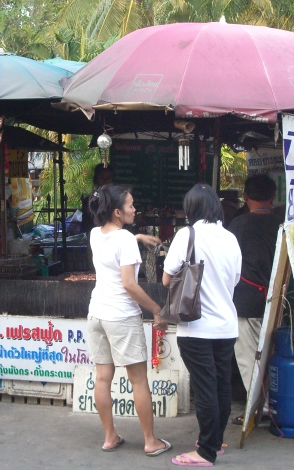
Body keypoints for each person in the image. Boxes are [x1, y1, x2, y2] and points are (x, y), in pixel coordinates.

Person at [86, 184, 172, 457]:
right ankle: (150, 441)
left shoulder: (95, 234)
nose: (134, 209)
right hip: (121, 316)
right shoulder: (123, 240)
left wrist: (137, 237)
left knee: (102, 378)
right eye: (131, 205)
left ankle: (110, 437)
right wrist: (157, 309)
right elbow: (129, 285)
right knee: (138, 381)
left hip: (97, 313)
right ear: (117, 212)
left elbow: (115, 243)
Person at [162, 183, 242, 467]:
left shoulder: (187, 235)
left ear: (191, 209)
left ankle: (206, 452)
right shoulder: (231, 238)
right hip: (226, 326)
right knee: (221, 385)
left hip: (195, 327)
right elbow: (234, 280)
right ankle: (214, 442)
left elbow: (167, 278)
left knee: (205, 387)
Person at [227, 174, 281, 425]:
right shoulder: (283, 225)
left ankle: (259, 407)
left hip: (245, 301)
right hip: (278, 300)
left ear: (245, 197)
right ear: (272, 198)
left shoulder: (237, 225)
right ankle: (271, 403)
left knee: (248, 356)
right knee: (272, 353)